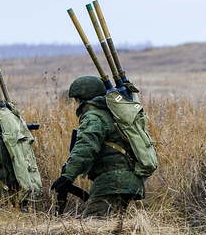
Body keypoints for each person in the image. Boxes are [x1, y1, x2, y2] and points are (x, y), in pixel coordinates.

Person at [51, 76, 144, 217]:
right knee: (112, 226)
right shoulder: (110, 113)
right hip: (123, 180)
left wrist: (67, 177)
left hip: (113, 182)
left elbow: (85, 148)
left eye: (77, 100)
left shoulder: (94, 117)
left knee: (93, 227)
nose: (76, 105)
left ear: (83, 99)